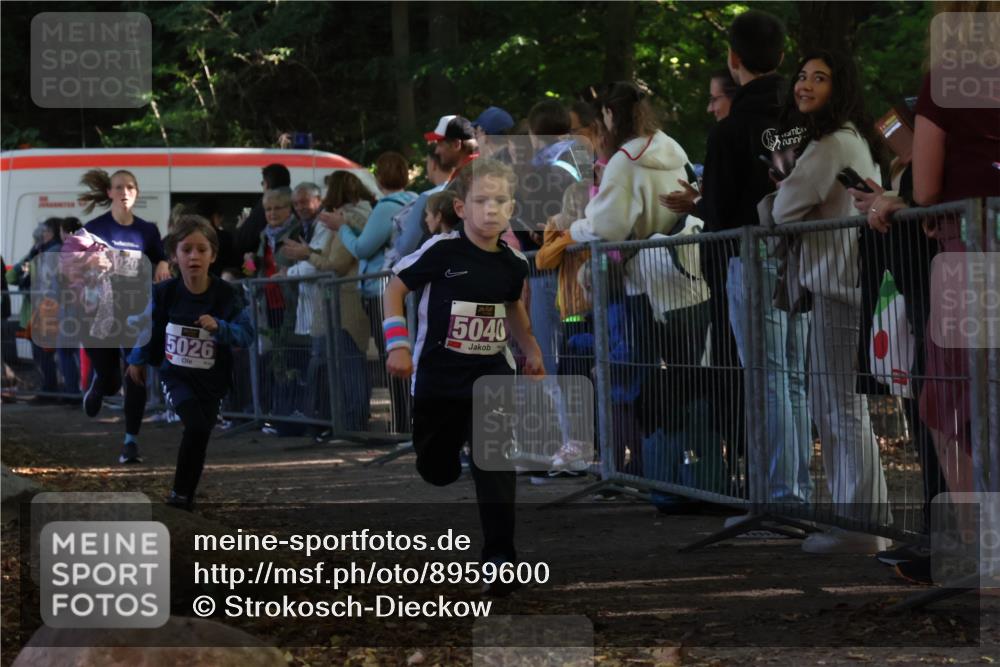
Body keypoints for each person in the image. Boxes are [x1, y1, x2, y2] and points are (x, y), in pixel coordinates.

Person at [384, 159, 544, 593]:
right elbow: (394, 288)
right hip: (438, 380)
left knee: (494, 463)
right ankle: (441, 454)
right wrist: (397, 343)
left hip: (492, 374)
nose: (490, 210)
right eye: (480, 201)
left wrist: (530, 350)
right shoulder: (442, 251)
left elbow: (514, 309)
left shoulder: (513, 263)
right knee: (437, 469)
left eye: (500, 201)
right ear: (460, 207)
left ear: (511, 207)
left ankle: (499, 560)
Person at [772, 49, 892, 554]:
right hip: (845, 285)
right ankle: (863, 523)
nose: (805, 85)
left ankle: (860, 528)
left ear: (838, 88)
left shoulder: (829, 145)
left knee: (840, 408)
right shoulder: (852, 140)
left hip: (837, 288)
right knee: (841, 406)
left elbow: (783, 209)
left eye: (820, 78)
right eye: (802, 76)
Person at [568, 81, 698, 493]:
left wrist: (573, 227)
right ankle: (680, 470)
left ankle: (657, 473)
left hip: (644, 283)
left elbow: (608, 226)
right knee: (684, 375)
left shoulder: (625, 161)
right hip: (685, 277)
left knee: (645, 380)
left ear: (610, 114)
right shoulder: (673, 149)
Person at [125, 215, 253, 509]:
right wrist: (137, 360)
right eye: (186, 250)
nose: (194, 256)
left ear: (213, 255)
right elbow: (148, 327)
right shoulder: (164, 293)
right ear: (174, 255)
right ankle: (180, 496)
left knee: (201, 432)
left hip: (213, 379)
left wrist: (220, 327)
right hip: (176, 375)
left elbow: (246, 335)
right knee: (195, 426)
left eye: (201, 249)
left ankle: (185, 492)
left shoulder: (228, 295)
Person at [78, 168, 171, 464]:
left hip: (136, 312)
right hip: (99, 314)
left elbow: (160, 257)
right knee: (111, 380)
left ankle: (131, 441)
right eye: (119, 187)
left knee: (136, 375)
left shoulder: (147, 230)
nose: (125, 192)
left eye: (130, 187)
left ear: (137, 193)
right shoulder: (94, 229)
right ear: (109, 193)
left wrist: (162, 265)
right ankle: (99, 384)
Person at [234, 163, 291, 256]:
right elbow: (250, 268)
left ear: (288, 209)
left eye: (278, 208)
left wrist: (241, 230)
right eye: (268, 209)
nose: (272, 213)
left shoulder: (295, 237)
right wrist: (250, 264)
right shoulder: (265, 237)